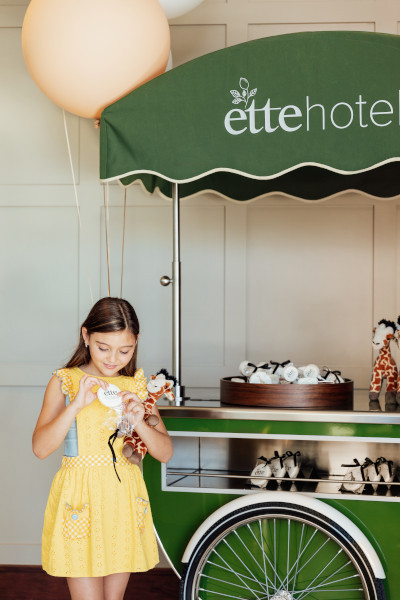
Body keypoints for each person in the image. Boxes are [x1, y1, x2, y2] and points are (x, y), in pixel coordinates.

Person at [33, 297, 173, 600]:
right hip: (79, 497)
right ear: (86, 336)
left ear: (136, 341)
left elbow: (165, 453)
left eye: (125, 350)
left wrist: (140, 421)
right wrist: (76, 406)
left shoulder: (136, 386)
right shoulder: (65, 382)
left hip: (122, 498)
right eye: (103, 348)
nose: (113, 359)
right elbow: (41, 448)